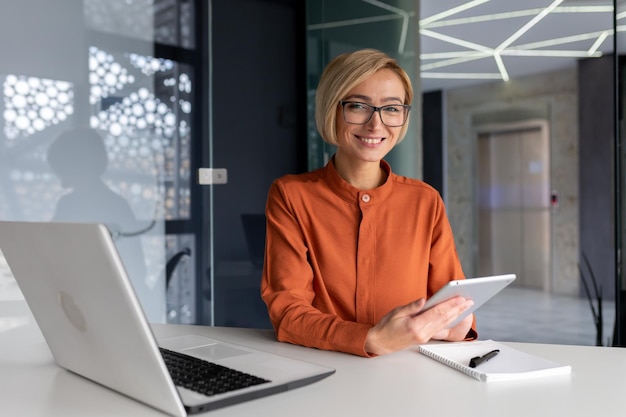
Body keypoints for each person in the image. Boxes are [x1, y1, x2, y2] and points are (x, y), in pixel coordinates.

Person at [260, 49, 477, 357]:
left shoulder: (425, 201)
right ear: (331, 110)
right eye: (359, 106)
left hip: (410, 373)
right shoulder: (291, 196)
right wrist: (371, 339)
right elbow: (289, 313)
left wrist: (455, 324)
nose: (376, 125)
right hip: (323, 370)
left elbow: (453, 302)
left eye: (391, 109)